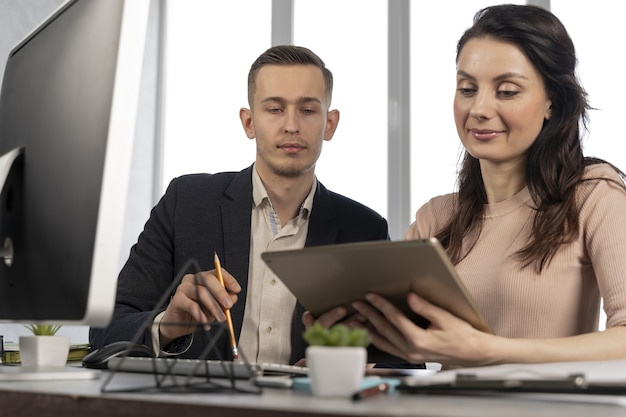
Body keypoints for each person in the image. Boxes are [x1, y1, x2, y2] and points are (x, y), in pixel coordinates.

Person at [352, 4, 626, 369]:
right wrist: (346, 348)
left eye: (507, 91)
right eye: (467, 88)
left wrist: (492, 350)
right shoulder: (437, 217)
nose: (479, 108)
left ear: (552, 102)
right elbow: (404, 350)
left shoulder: (594, 195)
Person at [89, 45, 389, 365]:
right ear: (248, 122)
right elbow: (106, 330)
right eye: (274, 109)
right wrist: (169, 322)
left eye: (307, 110)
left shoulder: (365, 229)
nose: (291, 125)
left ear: (330, 124)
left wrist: (347, 369)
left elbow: (404, 361)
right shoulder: (186, 203)